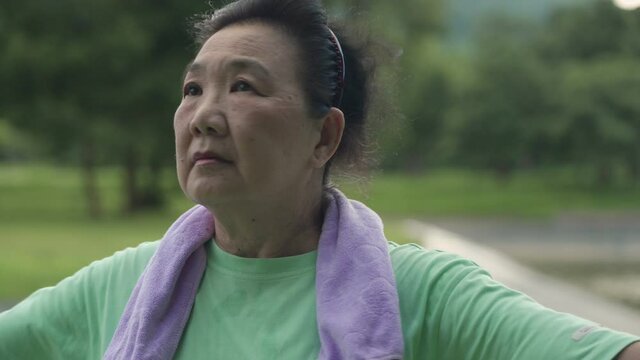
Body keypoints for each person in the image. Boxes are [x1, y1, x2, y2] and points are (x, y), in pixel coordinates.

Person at [1, 0, 639, 358]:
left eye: (243, 86)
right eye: (192, 88)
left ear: (324, 136)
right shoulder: (125, 286)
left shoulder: (423, 295)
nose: (202, 116)